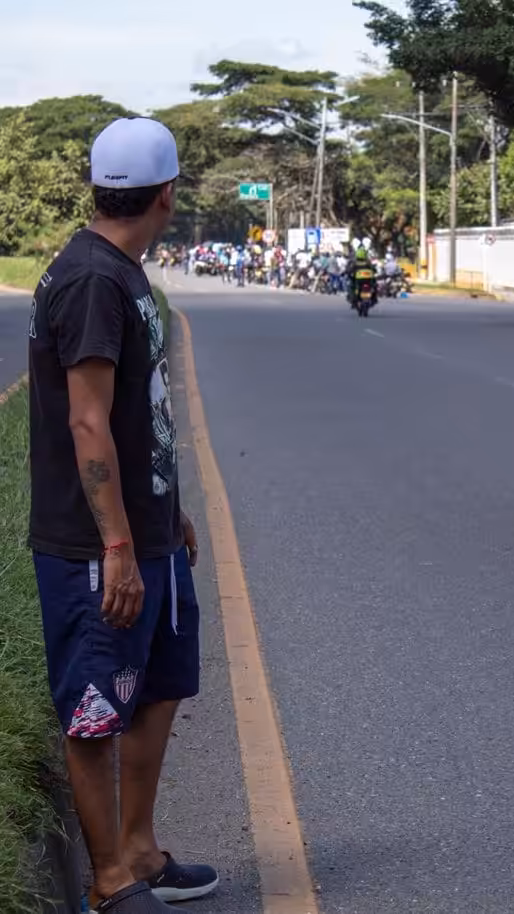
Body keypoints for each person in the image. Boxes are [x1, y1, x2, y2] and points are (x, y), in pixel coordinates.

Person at [27, 117, 216, 913]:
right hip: (96, 546)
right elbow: (87, 421)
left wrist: (164, 517)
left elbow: (142, 413)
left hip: (146, 534)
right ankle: (108, 879)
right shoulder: (94, 282)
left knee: (161, 686)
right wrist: (115, 545)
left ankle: (138, 848)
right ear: (167, 195)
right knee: (96, 710)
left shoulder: (123, 270)